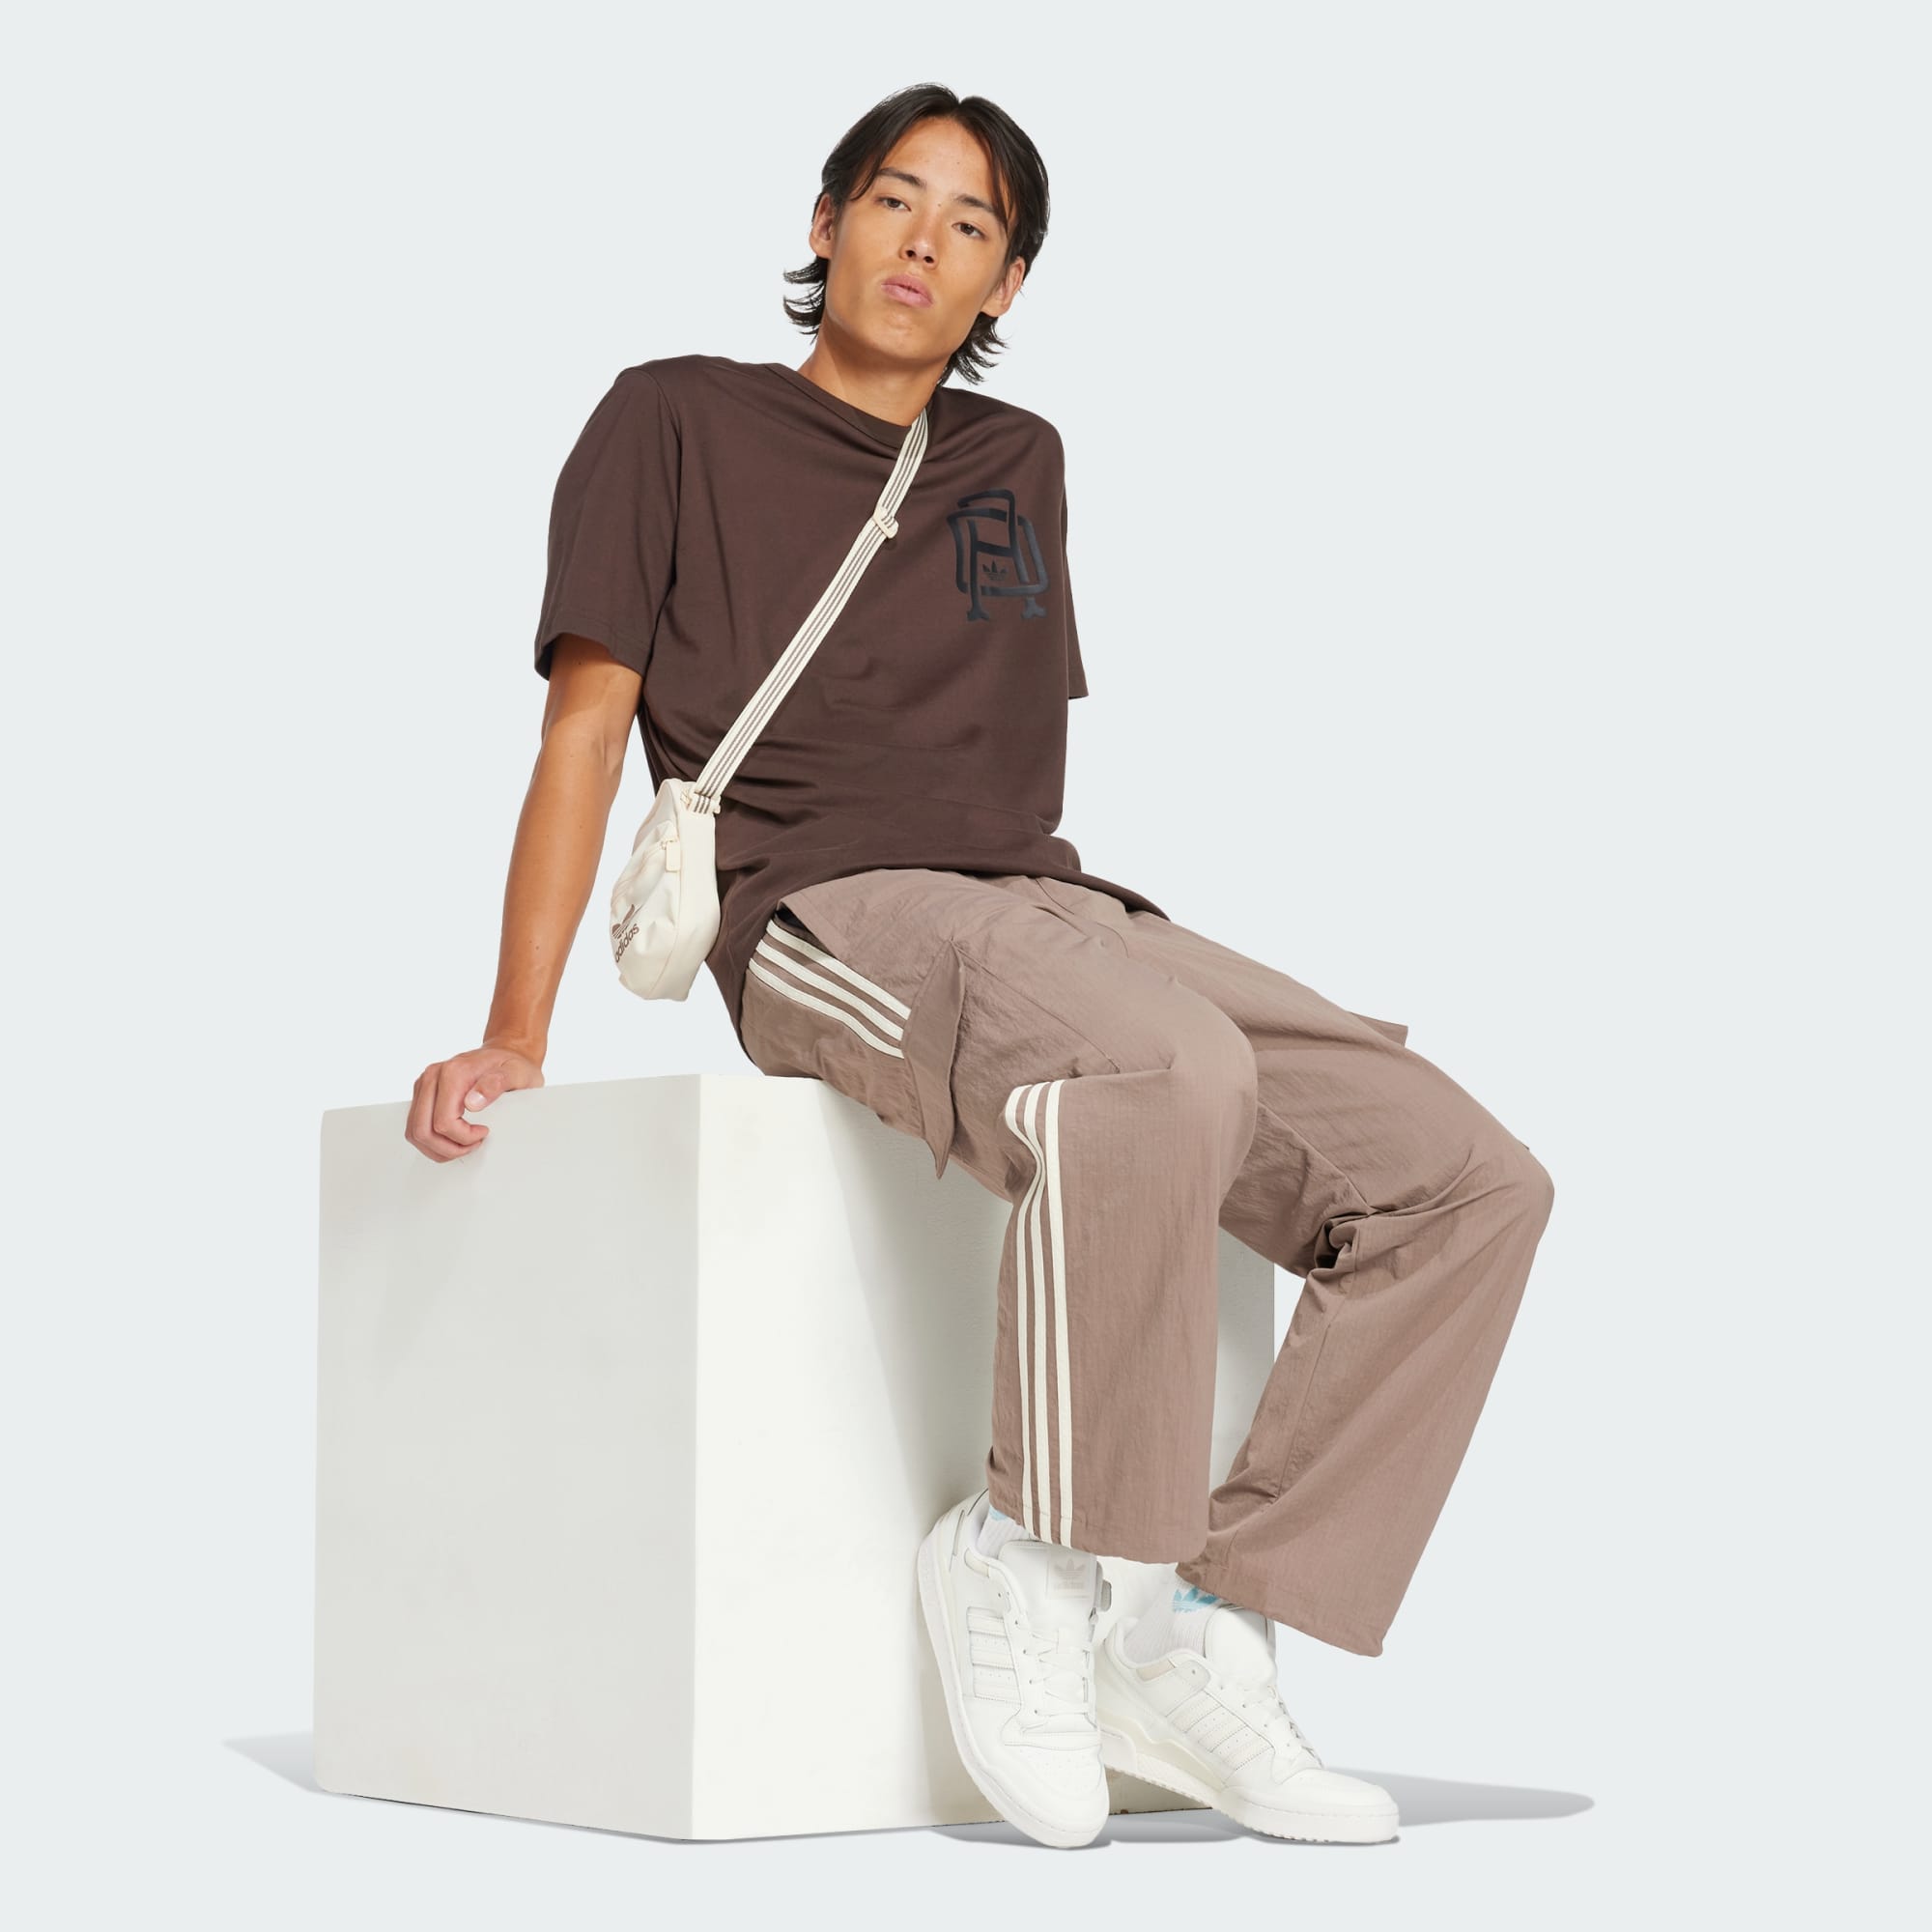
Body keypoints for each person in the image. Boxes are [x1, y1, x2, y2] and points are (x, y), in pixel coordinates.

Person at [407, 83, 1554, 1852]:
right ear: (824, 225)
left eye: (970, 225)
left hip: (1046, 906)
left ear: (1008, 280)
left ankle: (1200, 1634)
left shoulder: (1020, 461)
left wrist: (1079, 947)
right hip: (821, 909)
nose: (923, 243)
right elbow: (584, 733)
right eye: (893, 200)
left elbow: (999, 775)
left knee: (1464, 1183)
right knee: (1160, 1071)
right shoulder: (673, 417)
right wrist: (513, 1029)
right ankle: (1028, 1553)